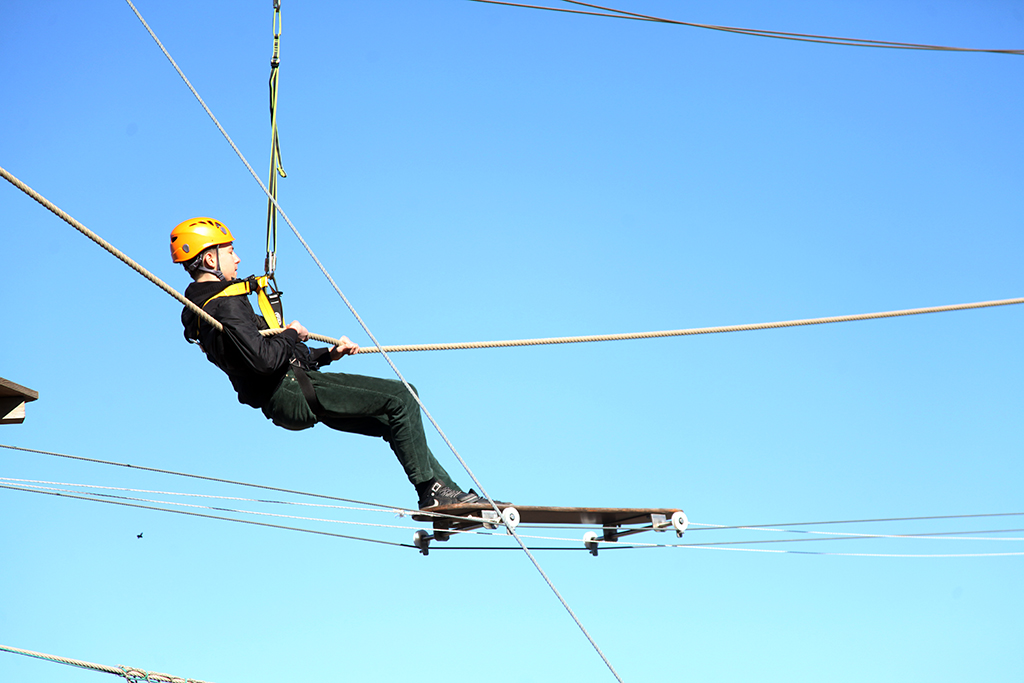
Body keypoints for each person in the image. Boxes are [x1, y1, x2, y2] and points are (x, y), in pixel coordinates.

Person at [170, 216, 485, 510]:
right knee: (403, 396)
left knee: (393, 422)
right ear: (211, 259)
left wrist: (327, 355)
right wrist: (292, 332)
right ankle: (431, 492)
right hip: (291, 390)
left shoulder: (205, 311)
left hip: (285, 397)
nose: (237, 258)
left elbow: (268, 353)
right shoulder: (226, 301)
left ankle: (448, 500)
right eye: (230, 251)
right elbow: (266, 360)